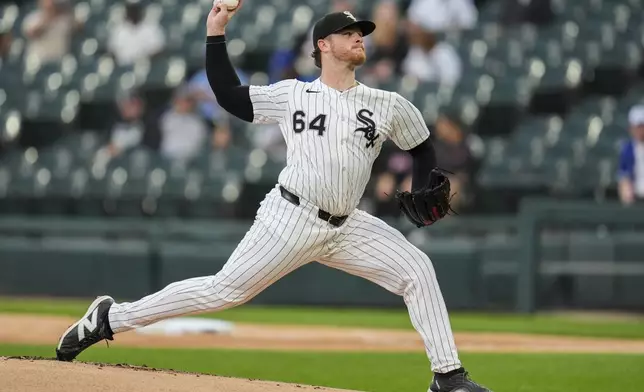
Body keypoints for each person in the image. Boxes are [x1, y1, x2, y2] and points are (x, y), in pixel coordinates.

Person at [55, 3, 492, 392]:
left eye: (362, 32)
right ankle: (109, 318)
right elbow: (228, 95)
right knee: (222, 292)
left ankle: (448, 376)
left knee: (417, 267)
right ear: (323, 44)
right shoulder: (293, 94)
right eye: (348, 32)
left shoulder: (387, 103)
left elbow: (421, 145)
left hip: (348, 224)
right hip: (292, 216)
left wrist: (422, 185)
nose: (360, 36)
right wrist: (215, 32)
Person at [617, 105, 644, 205]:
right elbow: (624, 176)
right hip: (636, 198)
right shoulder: (628, 149)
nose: (639, 130)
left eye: (641, 126)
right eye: (636, 126)